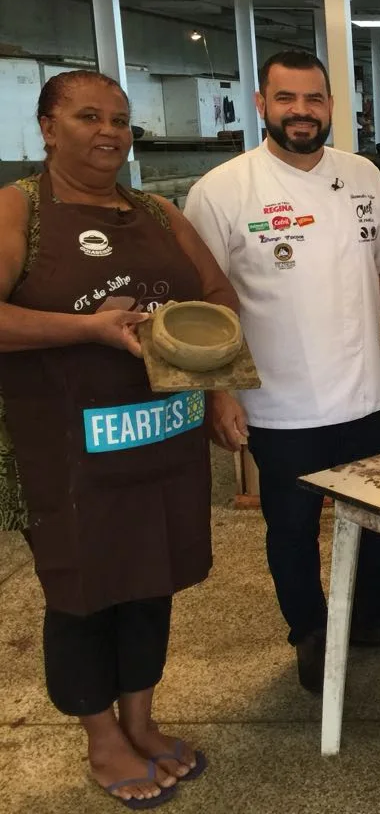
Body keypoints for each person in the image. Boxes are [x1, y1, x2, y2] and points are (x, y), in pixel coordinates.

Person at [0, 70, 234, 807]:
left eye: (122, 120)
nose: (109, 132)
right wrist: (90, 329)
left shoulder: (158, 212)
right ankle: (101, 734)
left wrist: (221, 387)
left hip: (163, 434)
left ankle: (142, 717)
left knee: (151, 578)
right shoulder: (18, 210)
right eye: (89, 116)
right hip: (67, 445)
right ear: (47, 126)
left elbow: (217, 296)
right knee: (83, 589)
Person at [184, 50, 380, 697]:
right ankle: (308, 630)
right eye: (287, 99)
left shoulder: (363, 176)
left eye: (314, 99)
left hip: (364, 389)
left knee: (370, 516)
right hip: (278, 401)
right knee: (293, 528)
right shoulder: (222, 191)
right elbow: (201, 308)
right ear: (262, 105)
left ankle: (373, 617)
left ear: (332, 105)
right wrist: (219, 394)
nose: (301, 111)